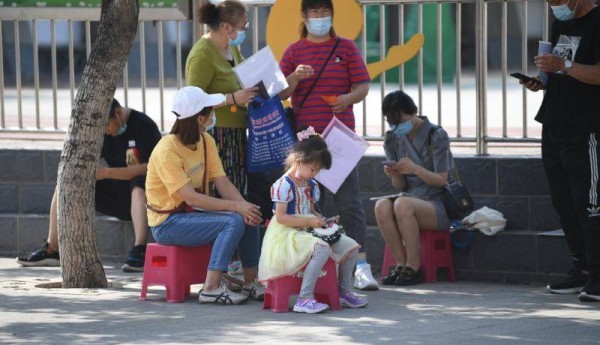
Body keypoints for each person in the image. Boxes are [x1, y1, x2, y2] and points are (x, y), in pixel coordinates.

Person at [278, 0, 377, 291]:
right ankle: (315, 264)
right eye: (314, 12)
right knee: (309, 202)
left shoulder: (346, 48)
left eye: (324, 12)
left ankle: (360, 265)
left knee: (349, 202)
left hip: (340, 137)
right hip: (307, 141)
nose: (320, 17)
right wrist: (295, 77)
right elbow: (280, 92)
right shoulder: (294, 51)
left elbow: (362, 85)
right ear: (304, 16)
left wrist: (347, 99)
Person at [145, 86, 264, 305]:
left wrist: (245, 207)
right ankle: (210, 288)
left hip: (192, 215)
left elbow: (222, 181)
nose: (213, 114)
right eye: (210, 111)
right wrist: (236, 208)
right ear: (200, 118)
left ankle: (250, 283)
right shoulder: (167, 150)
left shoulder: (205, 140)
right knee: (233, 220)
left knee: (249, 215)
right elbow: (191, 198)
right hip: (167, 223)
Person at [16, 99, 162, 272]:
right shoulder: (102, 133)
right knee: (65, 183)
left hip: (145, 198)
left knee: (138, 183)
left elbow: (151, 167)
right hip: (117, 195)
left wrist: (107, 173)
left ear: (118, 114)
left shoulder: (143, 125)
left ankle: (140, 249)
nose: (106, 131)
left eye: (107, 125)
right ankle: (52, 249)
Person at [521, 0, 600, 302]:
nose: (555, 5)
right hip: (555, 122)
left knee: (590, 202)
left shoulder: (597, 21)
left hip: (586, 127)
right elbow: (563, 72)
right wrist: (541, 81)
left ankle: (597, 275)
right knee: (563, 199)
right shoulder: (561, 24)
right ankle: (580, 268)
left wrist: (563, 66)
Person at [258, 128, 367, 313]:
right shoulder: (283, 185)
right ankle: (305, 298)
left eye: (318, 171)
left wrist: (322, 219)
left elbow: (310, 210)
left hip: (308, 230)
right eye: (313, 169)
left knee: (351, 247)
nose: (315, 174)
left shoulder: (311, 184)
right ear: (299, 161)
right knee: (321, 249)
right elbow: (281, 217)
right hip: (288, 234)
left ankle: (344, 291)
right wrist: (309, 222)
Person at [374, 90, 453, 286]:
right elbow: (400, 185)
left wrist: (415, 169)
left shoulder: (436, 135)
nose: (397, 127)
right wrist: (396, 173)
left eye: (401, 121)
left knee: (402, 204)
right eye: (392, 123)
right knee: (381, 206)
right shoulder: (392, 137)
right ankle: (400, 264)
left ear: (415, 112)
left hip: (436, 204)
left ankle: (414, 265)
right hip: (409, 198)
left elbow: (442, 180)